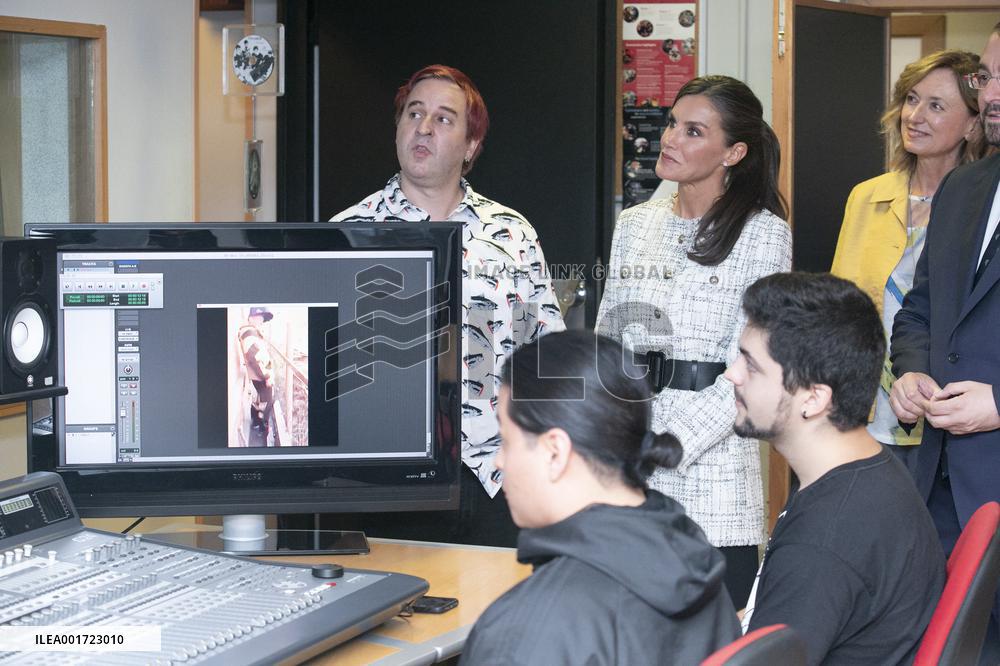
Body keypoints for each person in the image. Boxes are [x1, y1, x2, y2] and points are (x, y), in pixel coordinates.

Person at [329, 64, 565, 546]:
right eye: (414, 114)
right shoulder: (347, 233)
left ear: (471, 146)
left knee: (495, 618)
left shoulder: (512, 234)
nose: (423, 127)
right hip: (385, 485)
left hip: (496, 480)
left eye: (443, 118)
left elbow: (545, 353)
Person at [595, 74, 792, 607]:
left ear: (734, 152)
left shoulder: (763, 233)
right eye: (672, 124)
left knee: (714, 645)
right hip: (629, 469)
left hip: (715, 477)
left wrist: (668, 443)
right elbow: (608, 342)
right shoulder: (635, 223)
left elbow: (752, 369)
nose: (670, 139)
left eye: (693, 131)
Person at [460, 330, 740, 665]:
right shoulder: (699, 564)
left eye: (506, 441)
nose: (499, 461)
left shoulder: (521, 635)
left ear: (554, 452)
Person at [734, 273, 944, 666]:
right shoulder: (869, 474)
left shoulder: (824, 543)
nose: (732, 374)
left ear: (813, 399)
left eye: (751, 365)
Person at [891, 23, 1000, 662]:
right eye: (986, 77)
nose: (990, 93)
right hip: (936, 489)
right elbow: (921, 311)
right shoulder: (966, 186)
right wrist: (908, 372)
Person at [831, 50, 985, 473]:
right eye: (912, 99)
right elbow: (838, 309)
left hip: (941, 413)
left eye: (936, 105)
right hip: (860, 406)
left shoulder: (982, 208)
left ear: (973, 124)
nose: (914, 115)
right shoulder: (867, 196)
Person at [238, 306, 276, 447]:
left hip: (259, 374)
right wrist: (266, 375)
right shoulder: (250, 333)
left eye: (262, 318)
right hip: (261, 375)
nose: (260, 320)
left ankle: (257, 423)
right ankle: (261, 428)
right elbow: (253, 357)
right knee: (267, 401)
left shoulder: (251, 332)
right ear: (251, 318)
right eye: (258, 317)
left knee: (262, 400)